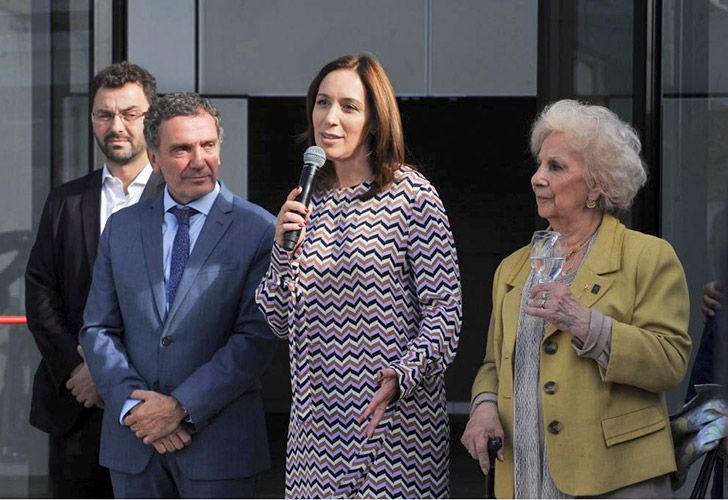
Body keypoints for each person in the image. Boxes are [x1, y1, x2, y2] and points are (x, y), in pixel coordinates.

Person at [461, 99, 692, 498]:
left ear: (597, 185)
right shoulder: (513, 269)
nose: (536, 177)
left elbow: (670, 362)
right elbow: (492, 365)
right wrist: (483, 407)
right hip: (525, 480)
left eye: (556, 167)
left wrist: (586, 323)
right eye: (539, 164)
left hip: (616, 481)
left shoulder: (647, 257)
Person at [256, 53, 462, 498]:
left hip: (393, 428)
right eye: (322, 103)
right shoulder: (309, 200)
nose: (330, 118)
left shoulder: (412, 196)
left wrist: (404, 373)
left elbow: (445, 312)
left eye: (348, 106)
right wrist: (280, 249)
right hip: (316, 439)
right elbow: (276, 320)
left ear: (373, 120)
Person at [79, 92, 277, 498]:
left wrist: (180, 408)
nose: (199, 160)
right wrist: (135, 409)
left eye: (208, 145)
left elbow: (255, 338)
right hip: (136, 445)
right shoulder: (122, 228)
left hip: (220, 448)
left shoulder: (259, 230)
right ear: (154, 158)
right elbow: (98, 328)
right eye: (182, 149)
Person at [25, 61, 164, 498]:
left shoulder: (178, 198)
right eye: (104, 114)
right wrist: (78, 369)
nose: (116, 125)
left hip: (153, 405)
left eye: (130, 113)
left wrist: (117, 380)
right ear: (91, 121)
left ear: (152, 119)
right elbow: (41, 292)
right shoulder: (66, 200)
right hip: (77, 404)